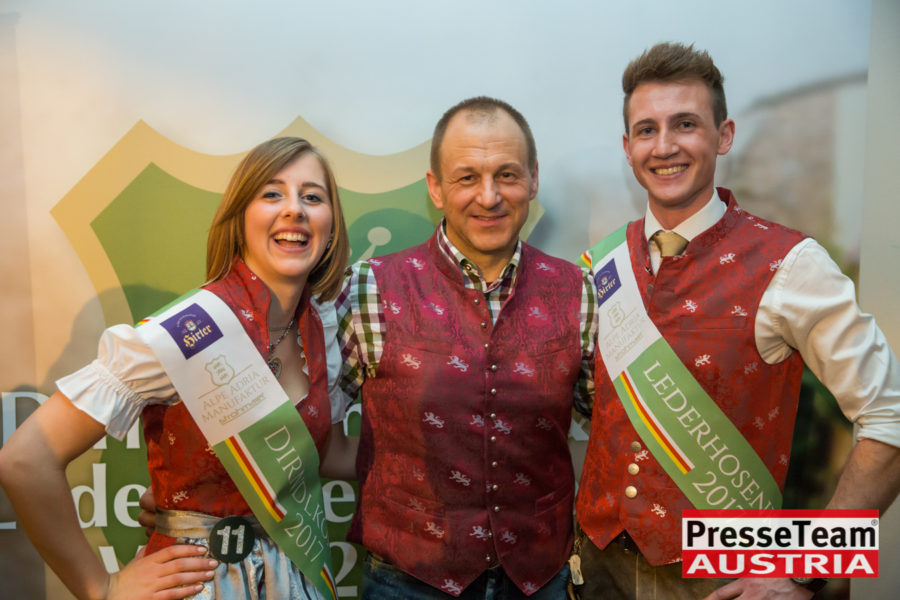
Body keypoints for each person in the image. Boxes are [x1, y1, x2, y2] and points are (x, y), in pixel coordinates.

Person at [575, 42, 900, 599]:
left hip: (726, 574)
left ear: (724, 136)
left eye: (685, 124)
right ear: (628, 149)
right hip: (595, 568)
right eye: (647, 130)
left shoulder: (791, 263)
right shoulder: (601, 264)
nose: (665, 146)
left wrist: (808, 565)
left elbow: (891, 416)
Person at [0, 137, 354, 600]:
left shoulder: (319, 329)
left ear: (332, 224)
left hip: (293, 577)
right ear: (239, 218)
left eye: (312, 197)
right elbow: (25, 459)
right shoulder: (183, 334)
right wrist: (100, 587)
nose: (295, 209)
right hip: (200, 585)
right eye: (272, 194)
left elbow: (323, 453)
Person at [335, 96, 598, 598]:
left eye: (507, 175)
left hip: (541, 579)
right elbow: (301, 426)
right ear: (435, 188)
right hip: (405, 582)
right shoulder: (369, 288)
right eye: (467, 177)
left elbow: (617, 433)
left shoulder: (579, 291)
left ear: (533, 179)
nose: (489, 196)